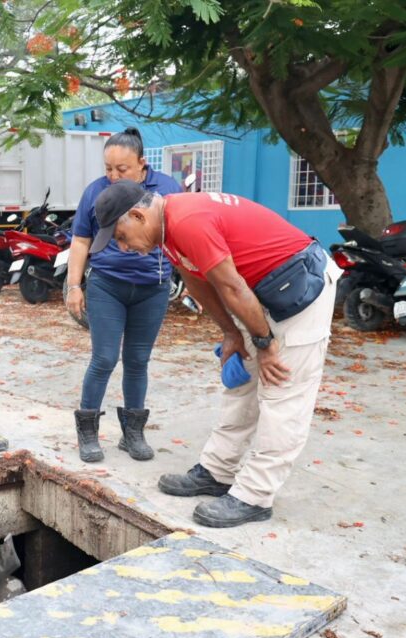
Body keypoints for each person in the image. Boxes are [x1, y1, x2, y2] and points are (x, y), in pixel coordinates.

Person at [89, 181, 339, 527]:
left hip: (300, 289)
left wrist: (265, 346)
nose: (123, 246)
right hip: (262, 294)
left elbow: (231, 286)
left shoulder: (188, 220)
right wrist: (232, 333)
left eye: (120, 235)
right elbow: (199, 283)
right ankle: (217, 472)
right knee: (241, 385)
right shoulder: (167, 230)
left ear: (137, 215)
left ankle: (254, 495)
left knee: (282, 393)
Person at [65, 128, 183, 464]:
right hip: (107, 285)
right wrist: (74, 286)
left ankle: (133, 434)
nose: (113, 176)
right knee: (103, 359)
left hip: (153, 288)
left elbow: (178, 237)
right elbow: (81, 242)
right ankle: (88, 432)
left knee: (137, 360)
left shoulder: (168, 189)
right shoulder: (96, 192)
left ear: (142, 163)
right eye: (108, 169)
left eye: (122, 169)